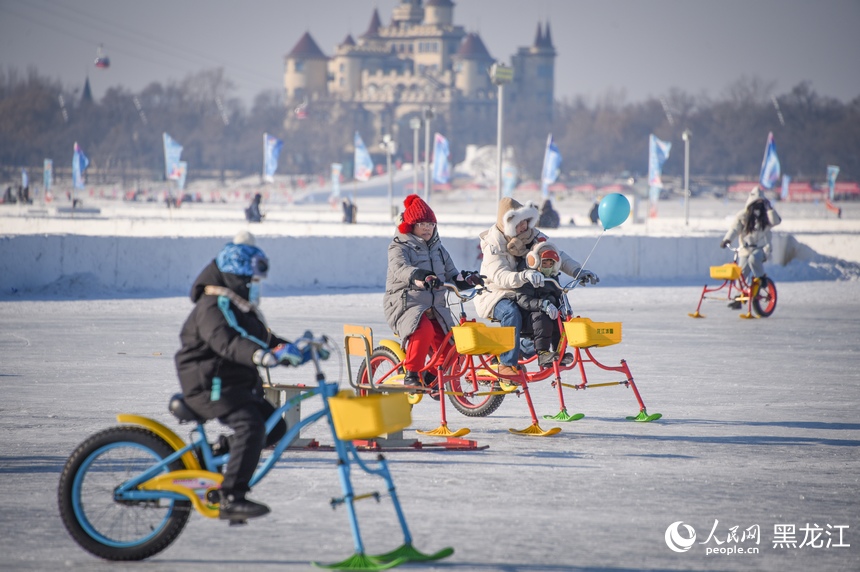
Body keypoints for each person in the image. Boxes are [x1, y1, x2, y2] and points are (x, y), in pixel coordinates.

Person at [175, 231, 308, 522]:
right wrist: (259, 355)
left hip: (233, 385)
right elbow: (227, 342)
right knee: (251, 428)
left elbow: (261, 337)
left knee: (274, 427)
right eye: (251, 281)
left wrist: (294, 349)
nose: (254, 287)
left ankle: (217, 451)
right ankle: (231, 496)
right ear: (236, 278)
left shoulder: (237, 307)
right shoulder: (212, 306)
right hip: (209, 385)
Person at [475, 197, 599, 378]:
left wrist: (578, 271)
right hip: (496, 294)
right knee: (512, 312)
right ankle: (507, 363)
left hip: (525, 291)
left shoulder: (533, 236)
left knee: (543, 320)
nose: (525, 227)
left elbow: (557, 255)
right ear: (508, 224)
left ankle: (512, 350)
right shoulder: (493, 244)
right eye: (520, 223)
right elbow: (499, 276)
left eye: (526, 222)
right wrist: (524, 275)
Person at [383, 194, 483, 390]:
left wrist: (467, 280)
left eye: (430, 223)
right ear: (410, 226)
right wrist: (421, 276)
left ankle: (431, 377)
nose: (427, 227)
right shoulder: (399, 246)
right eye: (421, 223)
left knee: (453, 344)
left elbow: (451, 274)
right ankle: (411, 373)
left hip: (435, 306)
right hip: (406, 303)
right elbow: (400, 269)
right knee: (423, 330)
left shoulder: (438, 249)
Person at [720, 185, 781, 306]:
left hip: (762, 249)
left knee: (754, 260)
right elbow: (734, 229)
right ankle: (739, 298)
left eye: (760, 202)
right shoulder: (743, 216)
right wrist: (727, 239)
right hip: (746, 250)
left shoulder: (767, 216)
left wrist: (769, 209)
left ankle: (762, 279)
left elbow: (776, 221)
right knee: (741, 273)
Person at [514, 242, 570, 369]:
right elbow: (523, 299)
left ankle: (559, 351)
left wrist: (560, 306)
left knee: (561, 320)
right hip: (528, 317)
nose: (548, 267)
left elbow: (557, 294)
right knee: (542, 317)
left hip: (547, 313)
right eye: (545, 263)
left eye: (551, 264)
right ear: (536, 262)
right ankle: (542, 353)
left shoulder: (552, 278)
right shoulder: (527, 277)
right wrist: (542, 305)